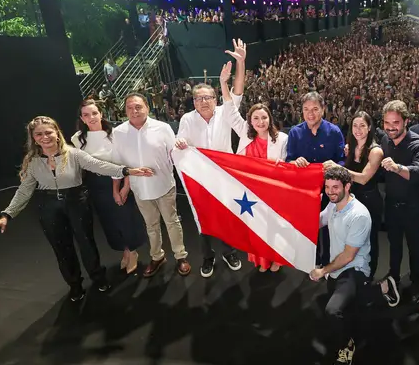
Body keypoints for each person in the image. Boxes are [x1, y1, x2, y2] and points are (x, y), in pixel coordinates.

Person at [0, 116, 153, 302]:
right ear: (34, 138)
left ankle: (98, 278)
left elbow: (99, 165)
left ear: (57, 133)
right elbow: (24, 190)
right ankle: (75, 285)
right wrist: (7, 214)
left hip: (76, 202)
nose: (45, 137)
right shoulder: (32, 162)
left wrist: (126, 171)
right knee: (61, 249)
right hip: (48, 207)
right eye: (39, 134)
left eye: (48, 132)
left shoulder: (73, 154)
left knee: (86, 244)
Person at [309, 167, 400, 365]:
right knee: (355, 307)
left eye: (336, 187)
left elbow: (349, 256)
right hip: (337, 269)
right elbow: (318, 221)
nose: (331, 192)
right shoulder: (333, 206)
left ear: (347, 186)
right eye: (328, 187)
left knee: (333, 311)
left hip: (354, 269)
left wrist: (323, 270)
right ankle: (384, 287)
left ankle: (346, 347)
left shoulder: (359, 215)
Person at [175, 39, 247, 277]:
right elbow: (180, 143)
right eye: (199, 98)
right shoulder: (186, 119)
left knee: (227, 216)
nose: (204, 101)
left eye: (208, 97)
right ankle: (207, 257)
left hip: (224, 177)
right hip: (200, 179)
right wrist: (180, 143)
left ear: (215, 98)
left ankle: (229, 251)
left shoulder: (225, 112)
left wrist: (241, 62)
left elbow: (238, 88)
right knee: (202, 219)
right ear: (193, 101)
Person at [113, 93, 191, 279]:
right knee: (151, 225)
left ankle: (180, 256)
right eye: (130, 108)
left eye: (138, 106)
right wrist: (122, 187)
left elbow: (176, 156)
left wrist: (181, 146)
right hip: (140, 190)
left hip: (164, 186)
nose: (134, 111)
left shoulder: (162, 128)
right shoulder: (119, 133)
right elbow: (118, 164)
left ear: (147, 107)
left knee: (172, 222)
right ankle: (157, 257)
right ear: (125, 111)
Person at [220, 62, 289, 272]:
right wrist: (224, 83)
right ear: (250, 120)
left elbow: (286, 167)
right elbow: (230, 112)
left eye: (264, 117)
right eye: (256, 118)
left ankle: (277, 258)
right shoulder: (244, 133)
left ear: (270, 118)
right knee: (256, 229)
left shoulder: (282, 139)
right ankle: (261, 259)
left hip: (272, 193)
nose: (260, 121)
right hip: (249, 193)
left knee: (274, 228)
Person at [71, 99, 146, 275]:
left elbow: (127, 162)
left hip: (119, 180)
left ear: (101, 114)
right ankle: (125, 251)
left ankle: (132, 251)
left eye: (94, 113)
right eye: (86, 115)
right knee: (109, 221)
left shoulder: (116, 134)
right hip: (95, 185)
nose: (91, 118)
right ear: (82, 118)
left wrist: (125, 187)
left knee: (125, 217)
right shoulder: (77, 139)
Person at [378, 100, 419, 303]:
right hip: (391, 205)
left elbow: (418, 172)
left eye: (396, 122)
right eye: (387, 122)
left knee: (416, 249)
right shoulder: (384, 140)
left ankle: (416, 283)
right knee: (394, 247)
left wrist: (397, 167)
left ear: (406, 121)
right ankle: (394, 278)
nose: (391, 127)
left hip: (413, 208)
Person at [287, 91, 346, 265]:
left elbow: (342, 159)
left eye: (314, 109)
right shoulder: (294, 133)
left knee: (328, 227)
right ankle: (310, 260)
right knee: (307, 226)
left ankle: (328, 261)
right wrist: (294, 161)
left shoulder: (334, 132)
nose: (310, 114)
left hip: (329, 190)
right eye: (306, 109)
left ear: (323, 109)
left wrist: (336, 165)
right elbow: (288, 160)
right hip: (305, 190)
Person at [342, 111, 383, 279]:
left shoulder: (375, 151)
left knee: (370, 240)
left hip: (370, 200)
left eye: (362, 126)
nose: (358, 130)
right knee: (351, 238)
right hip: (352, 200)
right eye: (355, 126)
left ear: (369, 128)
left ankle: (369, 275)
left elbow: (364, 178)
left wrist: (338, 169)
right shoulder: (350, 147)